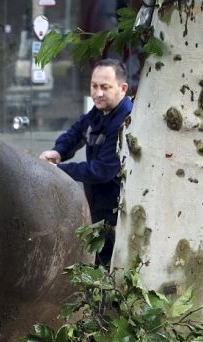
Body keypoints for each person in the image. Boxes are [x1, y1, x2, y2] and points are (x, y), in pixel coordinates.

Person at [38, 58, 132, 266]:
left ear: (122, 88)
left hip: (120, 210)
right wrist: (59, 151)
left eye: (105, 87)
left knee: (112, 264)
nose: (98, 93)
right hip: (99, 205)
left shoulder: (126, 119)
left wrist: (58, 169)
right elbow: (78, 131)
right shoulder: (100, 111)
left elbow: (102, 170)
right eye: (94, 86)